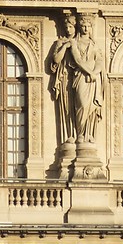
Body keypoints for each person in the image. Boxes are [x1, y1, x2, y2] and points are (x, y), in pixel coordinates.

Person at [46, 10, 104, 150]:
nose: (85, 28)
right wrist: (90, 72)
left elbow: (100, 61)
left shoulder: (94, 45)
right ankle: (79, 134)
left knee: (90, 107)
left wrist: (94, 73)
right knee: (81, 105)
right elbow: (77, 60)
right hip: (80, 77)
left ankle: (86, 134)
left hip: (92, 79)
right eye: (83, 26)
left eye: (88, 26)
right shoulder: (72, 43)